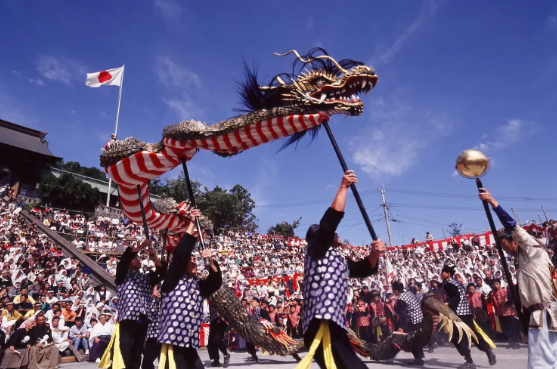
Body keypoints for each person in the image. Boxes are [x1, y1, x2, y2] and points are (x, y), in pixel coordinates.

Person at [298, 170, 386, 369]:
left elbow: (364, 268)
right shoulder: (316, 251)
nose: (335, 234)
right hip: (320, 323)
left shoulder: (338, 260)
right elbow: (329, 222)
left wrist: (374, 253)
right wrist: (343, 187)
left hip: (333, 325)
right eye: (328, 233)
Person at [479, 188, 556, 369]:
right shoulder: (521, 261)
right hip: (539, 315)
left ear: (515, 241)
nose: (503, 248)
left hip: (545, 315)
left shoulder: (532, 250)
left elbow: (513, 226)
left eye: (504, 243)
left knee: (541, 365)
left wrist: (492, 202)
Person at [157, 209, 223, 369]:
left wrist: (212, 263)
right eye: (191, 260)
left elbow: (215, 283)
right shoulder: (172, 280)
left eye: (196, 260)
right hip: (172, 344)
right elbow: (180, 255)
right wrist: (193, 223)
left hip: (189, 345)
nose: (195, 263)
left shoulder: (198, 285)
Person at [99, 239, 164, 369]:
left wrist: (154, 255)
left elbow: (162, 272)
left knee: (137, 352)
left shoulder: (146, 277)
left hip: (143, 319)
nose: (139, 260)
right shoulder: (123, 275)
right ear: (129, 264)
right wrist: (142, 246)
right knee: (125, 352)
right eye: (135, 258)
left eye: (139, 258)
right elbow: (124, 259)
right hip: (127, 319)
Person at [441, 264, 496, 369]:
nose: (441, 274)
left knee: (457, 336)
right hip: (466, 313)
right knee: (473, 335)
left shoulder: (449, 284)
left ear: (448, 274)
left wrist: (447, 303)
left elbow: (455, 297)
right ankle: (487, 351)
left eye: (443, 272)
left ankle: (469, 361)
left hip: (458, 314)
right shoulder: (455, 282)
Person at [487, 279, 520, 349]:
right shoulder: (492, 293)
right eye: (494, 284)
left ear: (499, 284)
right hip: (500, 313)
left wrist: (507, 301)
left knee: (512, 327)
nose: (495, 285)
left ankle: (516, 342)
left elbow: (511, 300)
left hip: (508, 312)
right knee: (505, 328)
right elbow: (488, 300)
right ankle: (510, 341)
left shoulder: (505, 291)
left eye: (496, 284)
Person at [207, 303, 230, 367]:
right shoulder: (210, 298)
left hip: (220, 321)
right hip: (213, 321)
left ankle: (226, 354)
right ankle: (216, 361)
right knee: (211, 343)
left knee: (217, 339)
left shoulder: (219, 296)